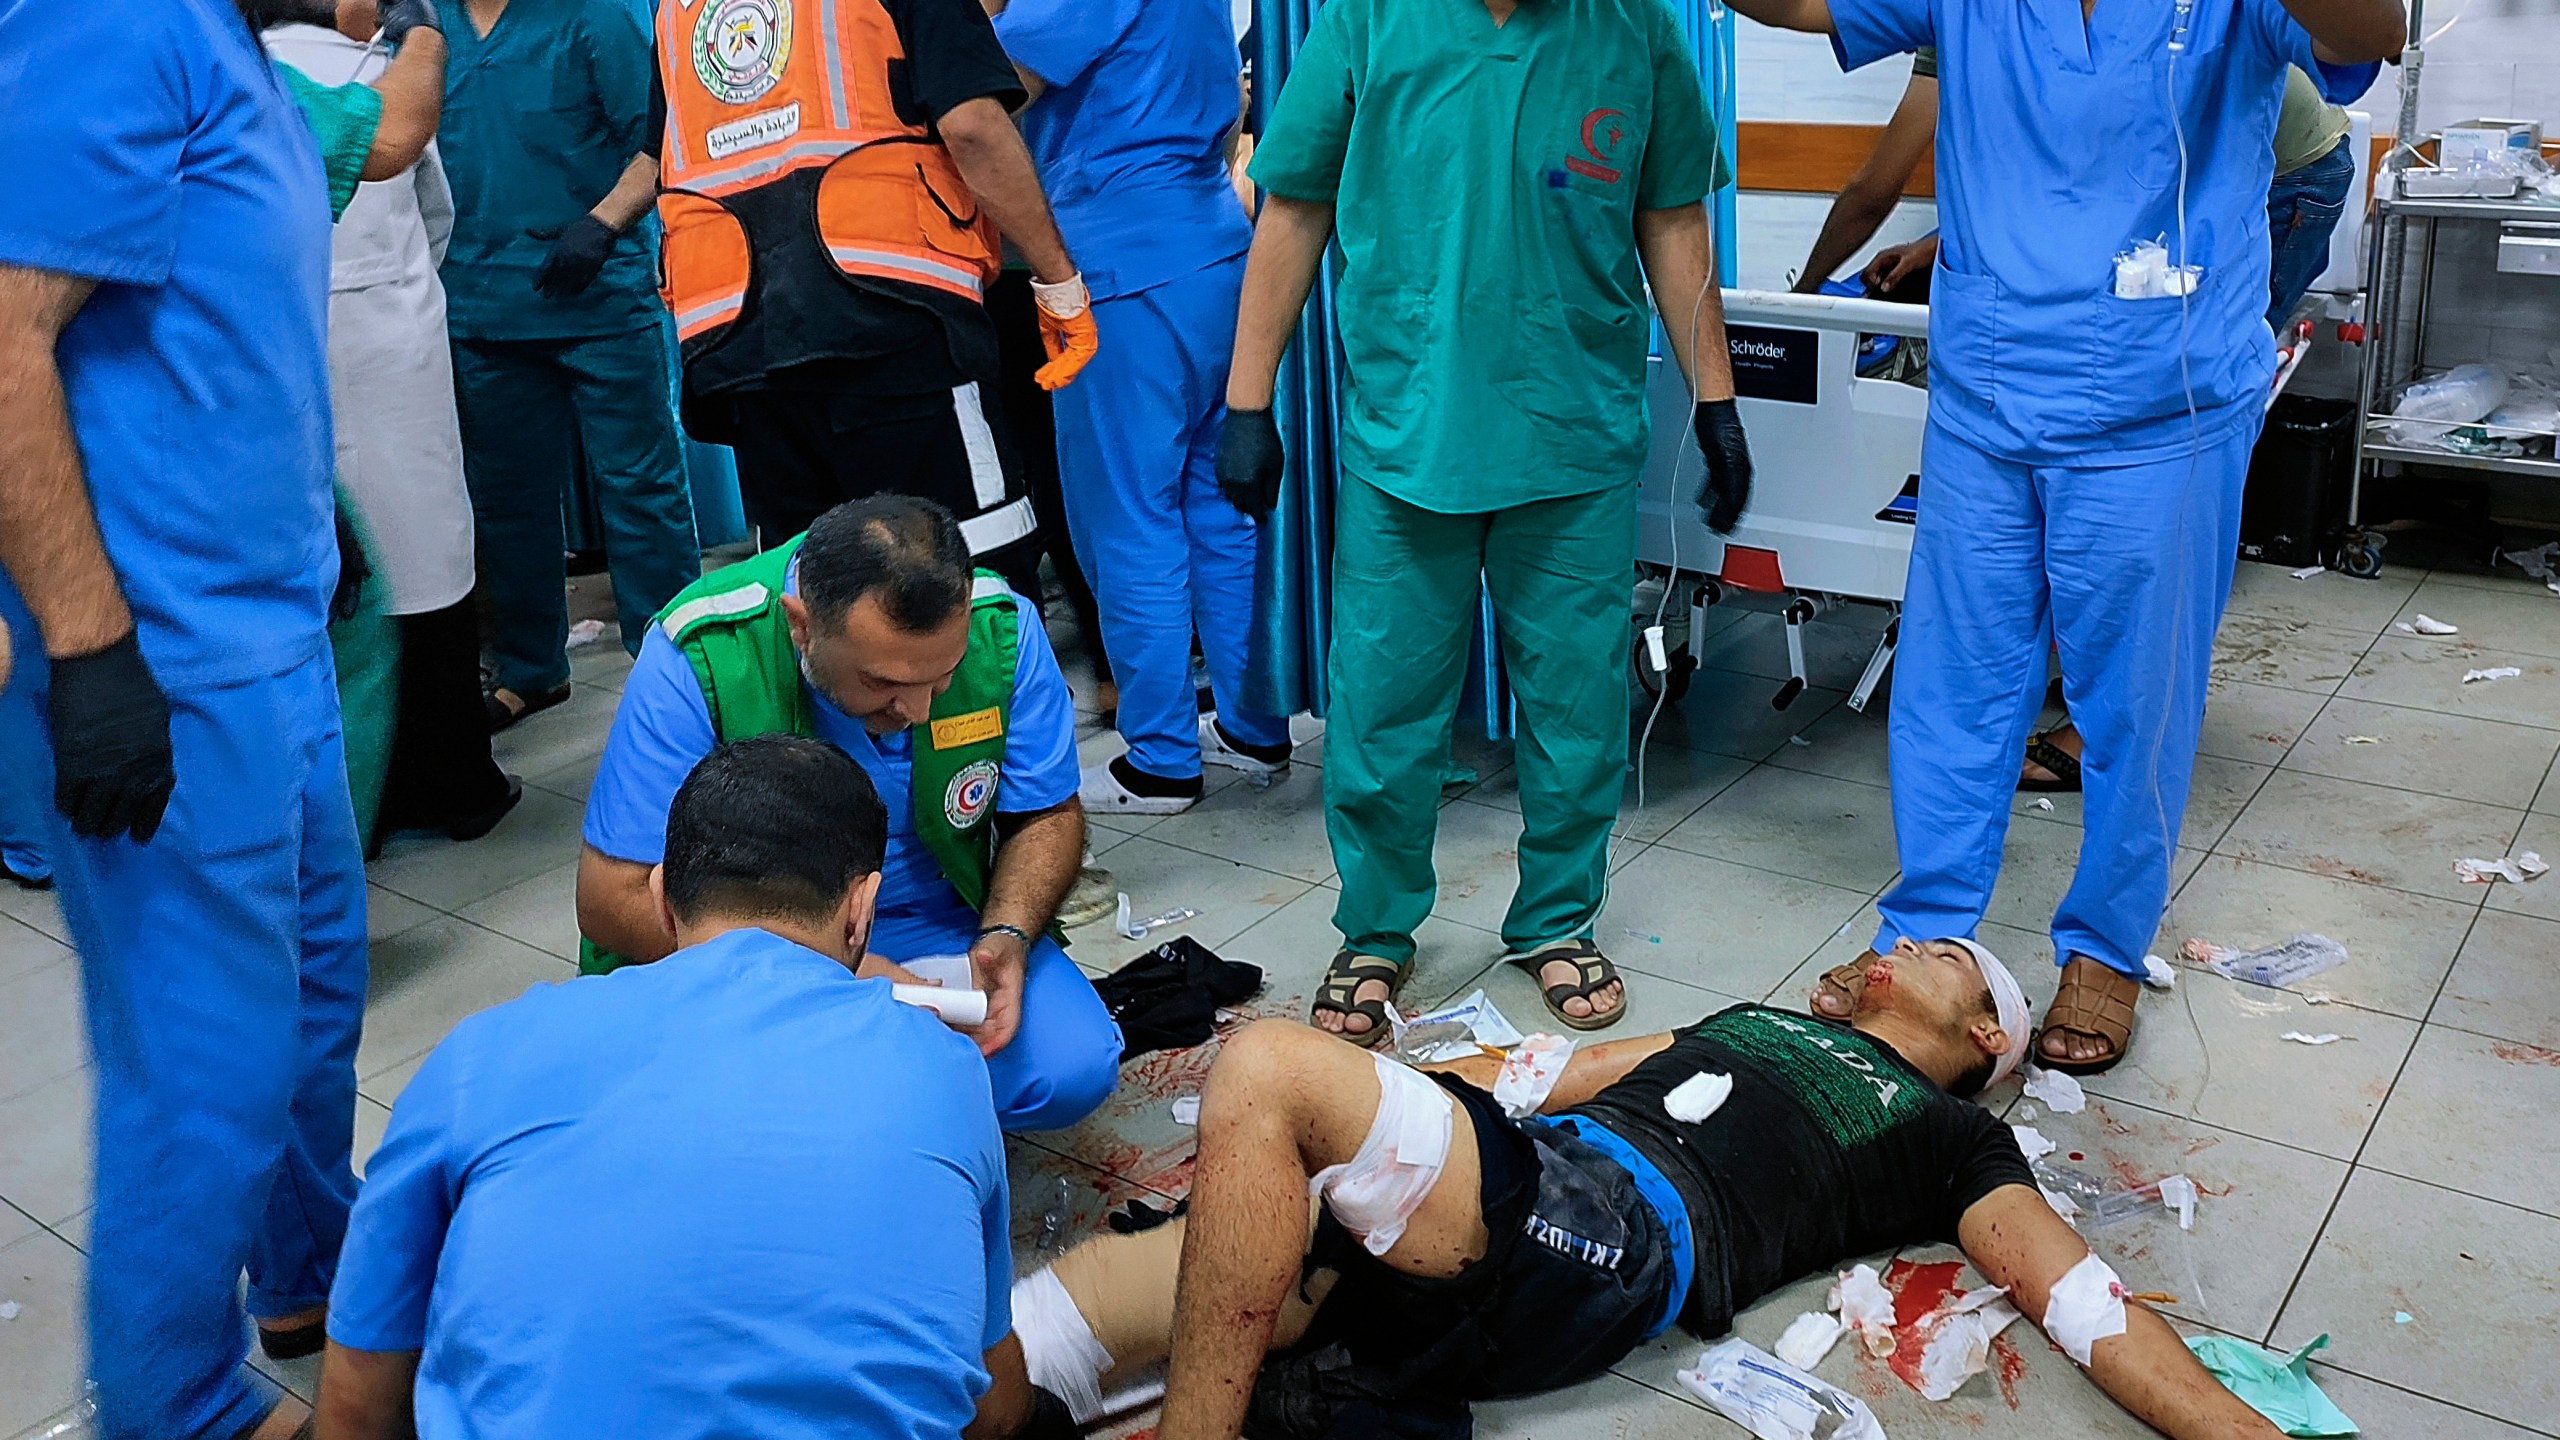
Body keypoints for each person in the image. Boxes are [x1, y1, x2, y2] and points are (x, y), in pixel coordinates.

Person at [1721, 0, 2400, 1076]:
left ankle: (2104, 948)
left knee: (2132, 697)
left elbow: (2375, 29)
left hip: (2157, 400)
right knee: (1955, 682)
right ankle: (1923, 930)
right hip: (1988, 388)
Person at [1005, 940, 2293, 1440]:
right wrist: (1298, 1142)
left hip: (1607, 1238)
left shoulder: (1950, 1135)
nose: (1899, 943)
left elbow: (2082, 1298)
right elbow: (1542, 1070)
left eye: (1945, 956)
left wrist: (2242, 1436)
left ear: (1981, 1044)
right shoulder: (1747, 1015)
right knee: (1008, 1361)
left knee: (1272, 1064)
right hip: (1498, 1185)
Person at [1213, 0, 1755, 1041]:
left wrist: (1717, 401)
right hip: (1406, 432)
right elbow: (1294, 207)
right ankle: (1375, 930)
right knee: (1381, 706)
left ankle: (1555, 918)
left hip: (1573, 435)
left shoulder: (1631, 27)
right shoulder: (1367, 20)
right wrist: (1248, 400)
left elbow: (1673, 215)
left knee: (1577, 703)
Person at [0, 0, 390, 1428]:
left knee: (313, 1007)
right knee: (206, 1069)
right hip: (162, 651)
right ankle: (175, 1407)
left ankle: (316, 1277)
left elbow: (218, 333)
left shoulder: (234, 49)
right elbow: (4, 339)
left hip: (270, 624)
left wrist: (314, 524)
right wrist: (90, 647)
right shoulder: (110, 22)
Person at [317, 735, 1055, 1440]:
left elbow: (358, 1397)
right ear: (863, 907)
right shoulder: (944, 1067)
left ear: (664, 897)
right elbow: (992, 1409)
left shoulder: (482, 1052)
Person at [576, 495, 1121, 1131]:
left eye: (941, 678)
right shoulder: (703, 653)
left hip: (938, 930)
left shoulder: (1003, 629)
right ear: (801, 625)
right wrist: (832, 971)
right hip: (751, 942)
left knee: (1070, 1069)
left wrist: (1007, 933)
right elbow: (610, 899)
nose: (916, 711)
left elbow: (1047, 817)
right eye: (882, 683)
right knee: (750, 1104)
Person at [643, 0, 1099, 601]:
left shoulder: (681, 8)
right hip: (894, 313)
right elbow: (973, 127)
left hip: (739, 336)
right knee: (965, 572)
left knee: (819, 596)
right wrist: (1058, 282)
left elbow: (665, 154)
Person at [991, 0, 1298, 818]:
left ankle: (1162, 758)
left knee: (1129, 517)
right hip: (1213, 248)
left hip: (1117, 268)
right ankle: (1256, 725)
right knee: (1221, 512)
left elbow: (985, 89)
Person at [266, 0, 524, 854]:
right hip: (393, 350)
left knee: (330, 579)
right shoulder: (380, 73)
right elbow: (432, 204)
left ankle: (351, 803)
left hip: (286, 360)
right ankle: (453, 783)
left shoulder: (243, 76)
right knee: (427, 563)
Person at [435, 0, 701, 733]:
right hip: (480, 303)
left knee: (641, 488)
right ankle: (531, 668)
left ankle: (671, 667)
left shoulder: (597, 15)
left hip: (598, 297)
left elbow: (660, 137)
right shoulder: (428, 23)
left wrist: (603, 223)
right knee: (507, 499)